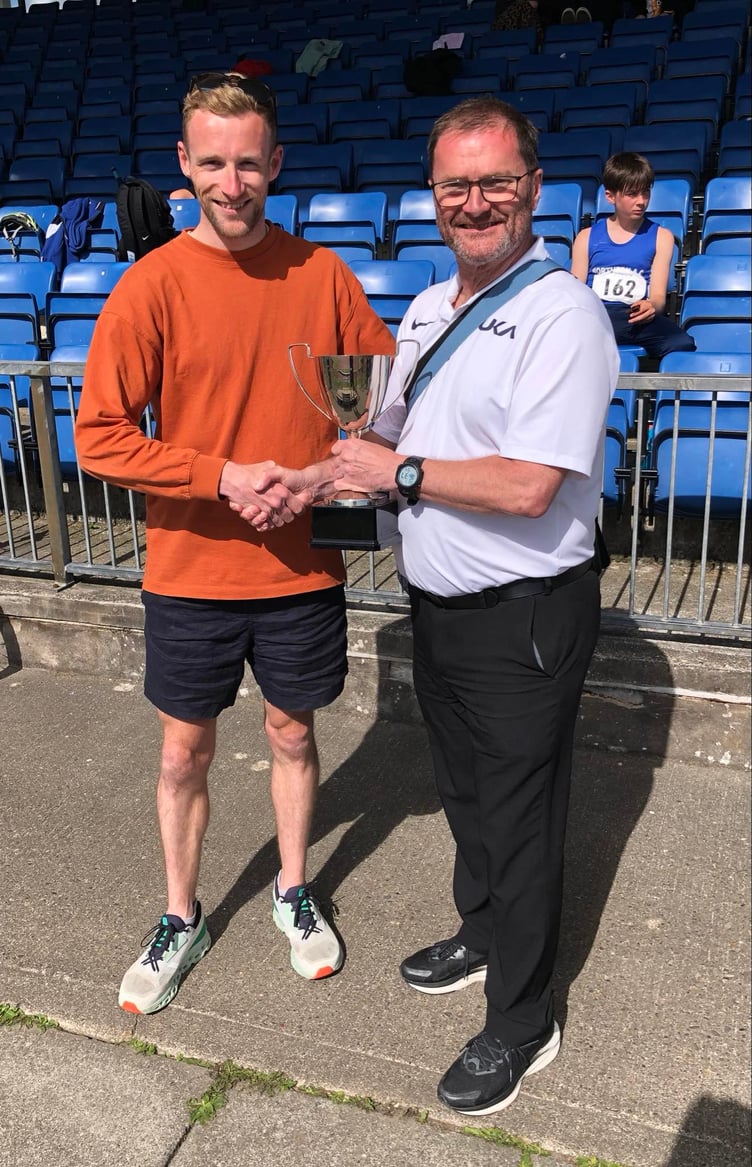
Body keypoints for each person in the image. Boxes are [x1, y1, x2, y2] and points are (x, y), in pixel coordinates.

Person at [285, 96, 619, 1116]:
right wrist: (320, 473)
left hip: (523, 614)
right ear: (432, 197)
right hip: (436, 607)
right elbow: (378, 438)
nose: (474, 203)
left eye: (494, 183)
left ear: (532, 188)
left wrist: (403, 468)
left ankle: (523, 1021)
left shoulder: (564, 315)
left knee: (519, 822)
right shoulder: (428, 309)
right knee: (469, 801)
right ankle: (483, 932)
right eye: (454, 186)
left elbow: (527, 485)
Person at [74, 72, 393, 1015]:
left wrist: (323, 474)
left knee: (293, 731)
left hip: (300, 566)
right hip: (191, 568)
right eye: (212, 160)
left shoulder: (323, 274)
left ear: (276, 164)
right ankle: (181, 912)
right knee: (184, 752)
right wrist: (221, 476)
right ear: (185, 164)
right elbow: (99, 433)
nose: (232, 179)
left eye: (249, 161)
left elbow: (373, 406)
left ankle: (294, 890)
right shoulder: (151, 286)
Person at [572, 152, 696, 360]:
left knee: (682, 344)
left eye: (645, 193)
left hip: (635, 318)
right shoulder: (586, 237)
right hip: (597, 315)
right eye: (632, 194)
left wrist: (650, 306)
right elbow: (575, 291)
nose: (641, 201)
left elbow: (657, 297)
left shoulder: (661, 237)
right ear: (610, 196)